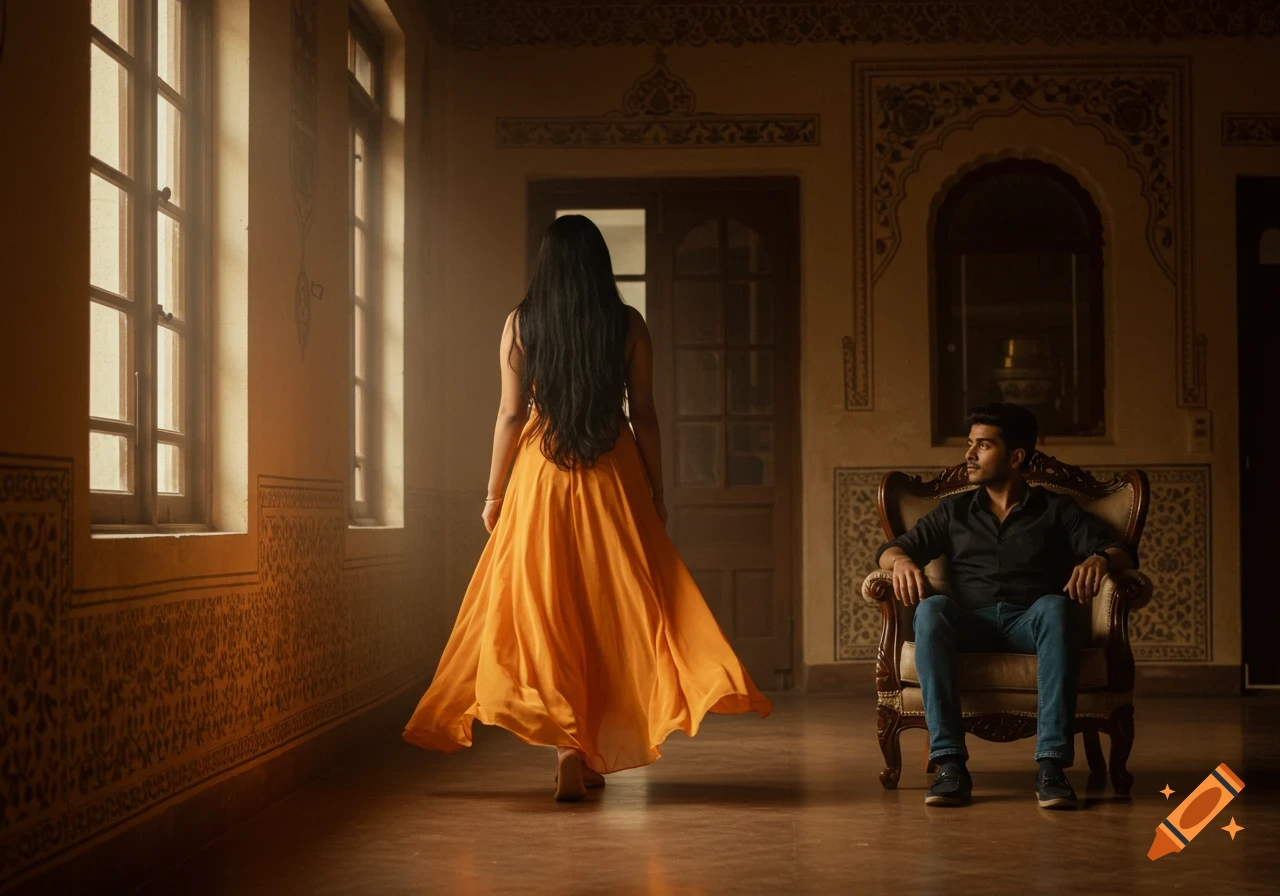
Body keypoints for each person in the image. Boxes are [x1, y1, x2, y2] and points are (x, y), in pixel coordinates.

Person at [403, 215, 771, 801]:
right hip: (612, 471)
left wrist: (494, 494)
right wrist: (656, 489)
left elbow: (509, 415)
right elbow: (645, 413)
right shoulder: (626, 324)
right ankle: (589, 748)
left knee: (547, 609)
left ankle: (572, 747)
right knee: (610, 611)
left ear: (545, 265)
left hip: (541, 476)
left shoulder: (521, 323)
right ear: (599, 264)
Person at [876, 402, 1136, 809]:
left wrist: (1100, 559)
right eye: (969, 444)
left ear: (1015, 457)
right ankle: (950, 768)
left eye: (983, 445)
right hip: (970, 624)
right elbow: (890, 551)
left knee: (1055, 606)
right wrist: (903, 561)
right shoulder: (954, 510)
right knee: (931, 610)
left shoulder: (1056, 509)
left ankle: (1051, 769)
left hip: (1032, 624)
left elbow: (1121, 552)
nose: (969, 455)